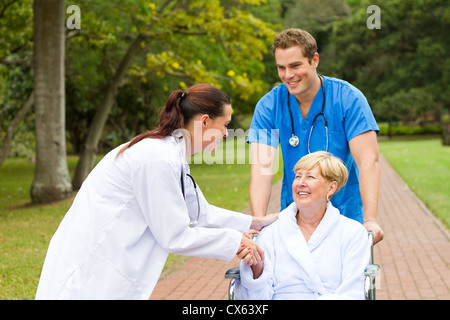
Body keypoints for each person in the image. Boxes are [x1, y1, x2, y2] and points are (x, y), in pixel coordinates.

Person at [35, 83, 276, 300]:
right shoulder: (156, 159)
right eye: (225, 125)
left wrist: (257, 222)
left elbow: (201, 214)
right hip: (89, 270)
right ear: (204, 122)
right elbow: (174, 236)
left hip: (109, 266)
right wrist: (235, 242)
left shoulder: (171, 155)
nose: (225, 133)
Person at [248, 28, 383, 243]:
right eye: (281, 68)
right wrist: (258, 221)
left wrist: (370, 219)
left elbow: (368, 162)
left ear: (314, 60)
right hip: (296, 218)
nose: (288, 75)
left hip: (346, 216)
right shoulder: (269, 105)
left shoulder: (348, 99)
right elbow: (262, 168)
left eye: (295, 66)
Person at [236, 151, 370, 300]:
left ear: (331, 188)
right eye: (298, 176)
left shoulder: (352, 232)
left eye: (310, 177)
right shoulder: (271, 232)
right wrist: (257, 267)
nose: (301, 183)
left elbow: (352, 293)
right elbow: (255, 298)